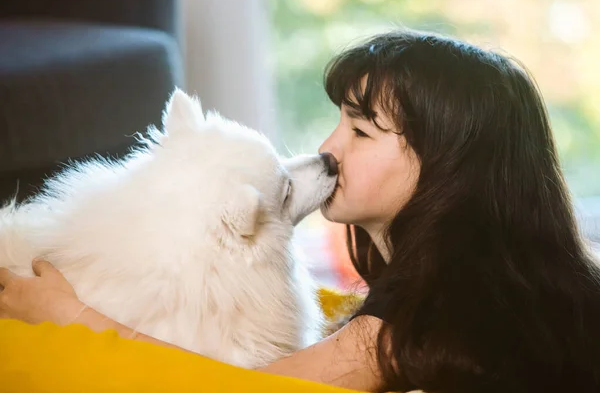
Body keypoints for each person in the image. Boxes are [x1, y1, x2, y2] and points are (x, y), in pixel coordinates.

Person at [1, 28, 599, 393]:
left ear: (447, 165)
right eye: (340, 119)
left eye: (362, 132)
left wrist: (74, 317)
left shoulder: (433, 309)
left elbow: (251, 392)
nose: (328, 148)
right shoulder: (510, 279)